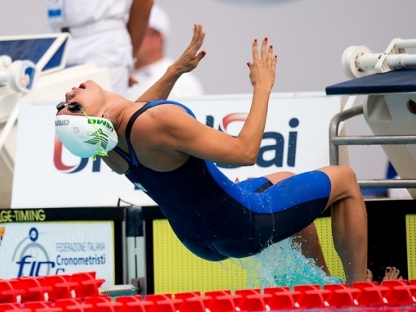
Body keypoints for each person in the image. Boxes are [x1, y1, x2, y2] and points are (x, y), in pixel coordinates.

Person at [54, 24, 368, 285]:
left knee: (285, 181)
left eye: (64, 103)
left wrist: (174, 71)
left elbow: (133, 114)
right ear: (100, 118)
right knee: (345, 180)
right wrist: (262, 87)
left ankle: (320, 286)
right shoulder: (158, 122)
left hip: (200, 238)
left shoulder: (109, 146)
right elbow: (244, 153)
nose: (68, 96)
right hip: (243, 224)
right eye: (74, 107)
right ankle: (357, 291)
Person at [47, 0, 154, 96]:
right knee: (58, 113)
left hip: (101, 42)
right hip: (59, 40)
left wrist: (128, 56)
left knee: (102, 114)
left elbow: (144, 2)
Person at [126, 3, 204, 100]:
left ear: (158, 37)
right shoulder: (124, 74)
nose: (128, 36)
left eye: (137, 30)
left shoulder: (182, 81)